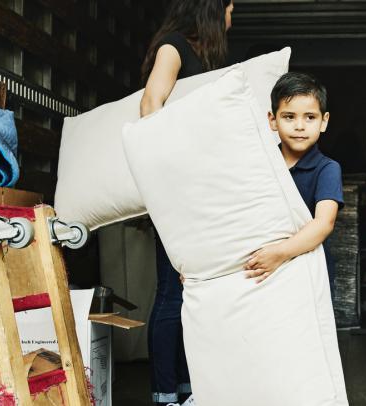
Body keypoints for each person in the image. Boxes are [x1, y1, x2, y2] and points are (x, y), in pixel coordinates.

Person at [139, 1, 233, 404]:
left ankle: (184, 388)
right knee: (170, 294)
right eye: (231, 9)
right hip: (175, 192)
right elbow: (150, 106)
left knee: (191, 293)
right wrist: (167, 179)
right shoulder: (173, 47)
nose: (233, 18)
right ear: (213, 11)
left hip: (196, 193)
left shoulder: (200, 57)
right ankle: (165, 393)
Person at [244, 72, 343, 283]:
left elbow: (324, 223)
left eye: (310, 117)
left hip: (309, 272)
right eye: (289, 117)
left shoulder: (327, 168)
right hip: (265, 270)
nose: (300, 126)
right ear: (272, 120)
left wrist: (279, 253)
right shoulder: (261, 165)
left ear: (324, 121)